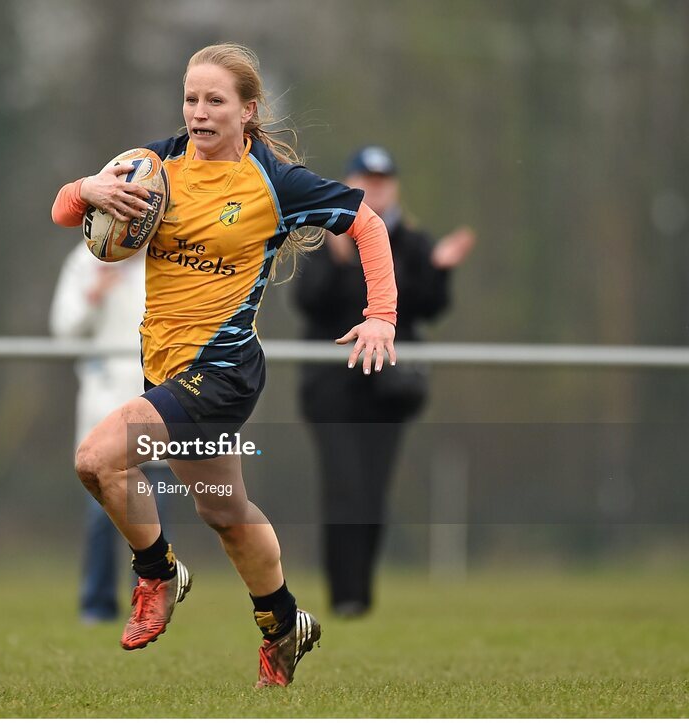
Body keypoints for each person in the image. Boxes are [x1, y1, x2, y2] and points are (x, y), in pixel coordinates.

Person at [50, 44, 398, 688]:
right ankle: (285, 621)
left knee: (97, 459)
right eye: (190, 99)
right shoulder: (154, 165)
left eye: (215, 101)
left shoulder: (274, 183)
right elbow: (67, 214)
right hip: (164, 369)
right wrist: (85, 188)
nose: (200, 113)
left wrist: (382, 315)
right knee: (225, 512)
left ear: (248, 111)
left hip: (223, 371)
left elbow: (367, 223)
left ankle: (156, 572)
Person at [294, 145, 476, 618]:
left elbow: (428, 307)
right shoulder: (326, 231)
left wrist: (439, 270)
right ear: (351, 181)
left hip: (388, 386)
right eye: (365, 178)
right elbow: (308, 302)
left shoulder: (412, 240)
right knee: (344, 486)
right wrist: (336, 260)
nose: (374, 186)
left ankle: (361, 594)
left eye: (383, 179)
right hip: (331, 385)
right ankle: (345, 596)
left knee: (373, 490)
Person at [49, 243, 175, 624]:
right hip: (104, 406)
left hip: (159, 404)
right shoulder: (85, 261)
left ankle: (150, 607)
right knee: (103, 516)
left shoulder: (172, 255)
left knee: (156, 516)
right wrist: (93, 295)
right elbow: (64, 332)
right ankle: (97, 604)